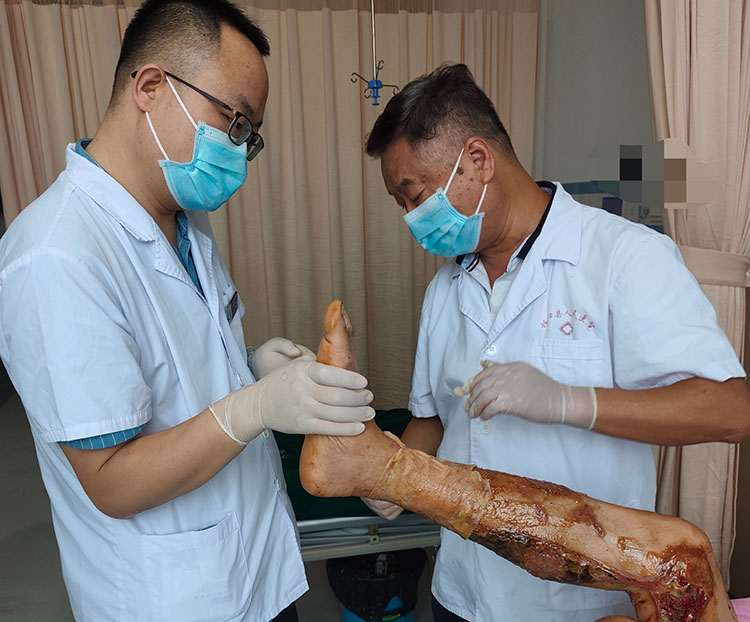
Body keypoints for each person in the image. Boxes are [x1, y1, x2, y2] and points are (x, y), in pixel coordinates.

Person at [0, 1, 376, 621]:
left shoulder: (183, 218)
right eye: (234, 122)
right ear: (151, 87)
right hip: (175, 596)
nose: (240, 152)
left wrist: (250, 366)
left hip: (258, 564)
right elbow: (111, 481)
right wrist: (255, 407)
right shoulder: (56, 256)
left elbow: (176, 366)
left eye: (250, 137)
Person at [361, 63, 750, 622]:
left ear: (477, 160)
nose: (411, 218)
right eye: (401, 204)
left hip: (577, 602)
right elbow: (434, 420)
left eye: (415, 196)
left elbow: (729, 410)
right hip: (462, 592)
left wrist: (572, 402)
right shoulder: (445, 288)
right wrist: (389, 472)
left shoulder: (622, 257)